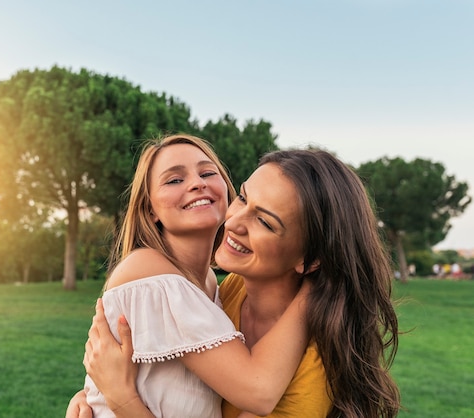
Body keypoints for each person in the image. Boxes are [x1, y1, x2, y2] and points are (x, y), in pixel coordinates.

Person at [68, 148, 401, 418]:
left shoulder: (311, 363)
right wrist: (93, 395)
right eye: (243, 198)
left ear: (311, 260)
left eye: (265, 222)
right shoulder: (223, 293)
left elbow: (258, 391)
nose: (235, 222)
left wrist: (122, 399)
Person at [74, 134, 315, 418]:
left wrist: (115, 396)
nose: (197, 183)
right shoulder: (149, 270)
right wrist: (313, 288)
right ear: (151, 210)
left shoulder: (213, 285)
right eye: (174, 180)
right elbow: (258, 392)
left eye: (207, 172)